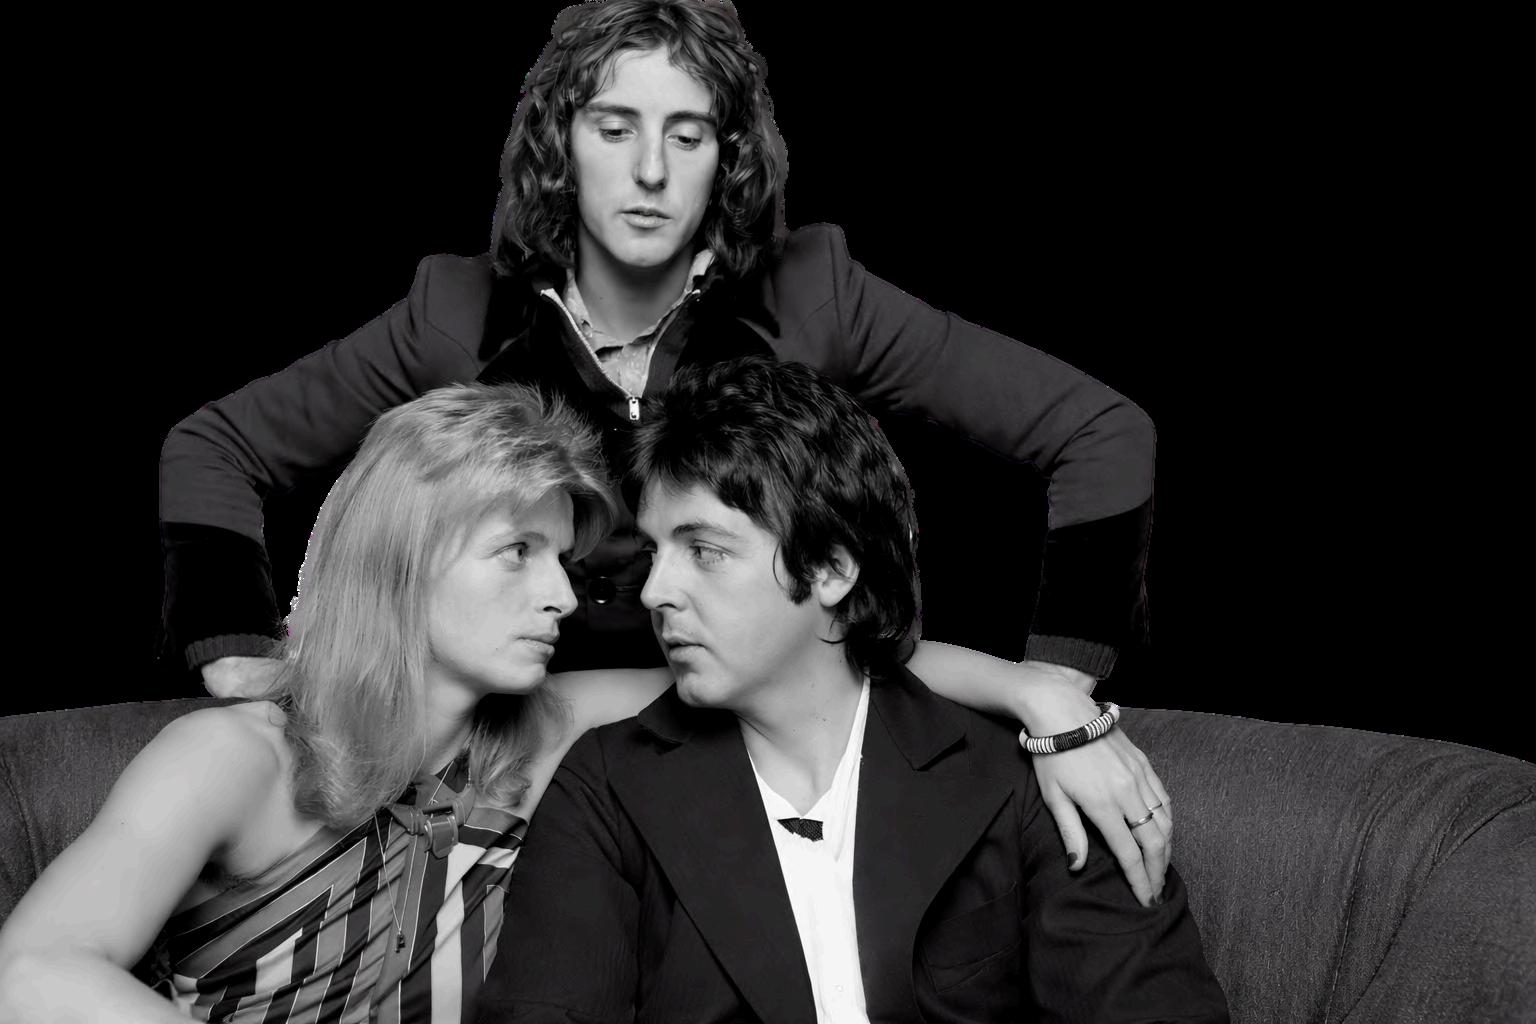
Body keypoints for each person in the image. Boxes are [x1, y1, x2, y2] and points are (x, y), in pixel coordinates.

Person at [159, 0, 1165, 900]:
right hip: (531, 763)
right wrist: (239, 654)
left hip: (768, 738)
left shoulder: (817, 292)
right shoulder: (455, 314)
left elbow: (1103, 435)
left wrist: (1058, 684)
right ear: (560, 141)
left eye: (687, 135)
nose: (651, 171)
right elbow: (214, 448)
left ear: (729, 154)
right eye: (614, 128)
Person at [0, 382, 1135, 1021]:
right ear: (402, 558)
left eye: (564, 561)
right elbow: (32, 971)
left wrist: (1035, 693)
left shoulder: (553, 732)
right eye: (518, 553)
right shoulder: (236, 755)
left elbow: (810, 663)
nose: (562, 596)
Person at [476, 357, 1226, 1023]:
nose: (654, 592)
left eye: (704, 550)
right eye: (654, 552)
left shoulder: (1028, 775)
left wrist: (1052, 705)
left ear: (832, 569)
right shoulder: (604, 790)